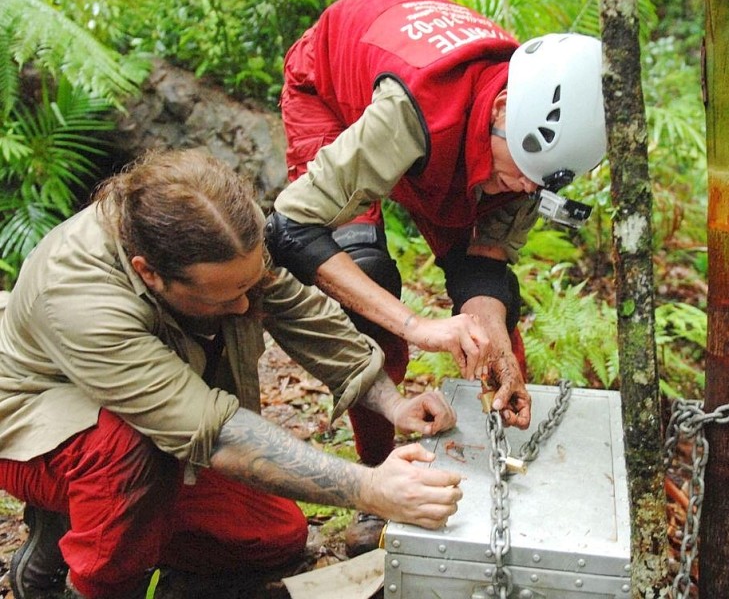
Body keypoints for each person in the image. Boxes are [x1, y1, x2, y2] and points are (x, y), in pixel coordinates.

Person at [0, 149, 463, 599]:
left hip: (156, 415)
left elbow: (301, 312)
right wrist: (370, 488)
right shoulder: (79, 300)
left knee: (274, 537)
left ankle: (85, 519)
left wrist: (392, 402)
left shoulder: (223, 234)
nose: (243, 306)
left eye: (248, 285)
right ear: (150, 273)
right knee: (131, 450)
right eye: (224, 298)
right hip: (36, 427)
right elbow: (217, 433)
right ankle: (93, 581)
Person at [267, 0, 606, 552]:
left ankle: (503, 475)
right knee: (366, 280)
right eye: (523, 175)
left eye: (540, 186)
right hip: (333, 93)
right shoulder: (411, 112)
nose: (527, 192)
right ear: (501, 111)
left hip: (451, 134)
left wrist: (493, 337)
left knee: (498, 329)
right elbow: (291, 228)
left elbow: (483, 265)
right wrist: (416, 326)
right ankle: (380, 479)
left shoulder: (532, 151)